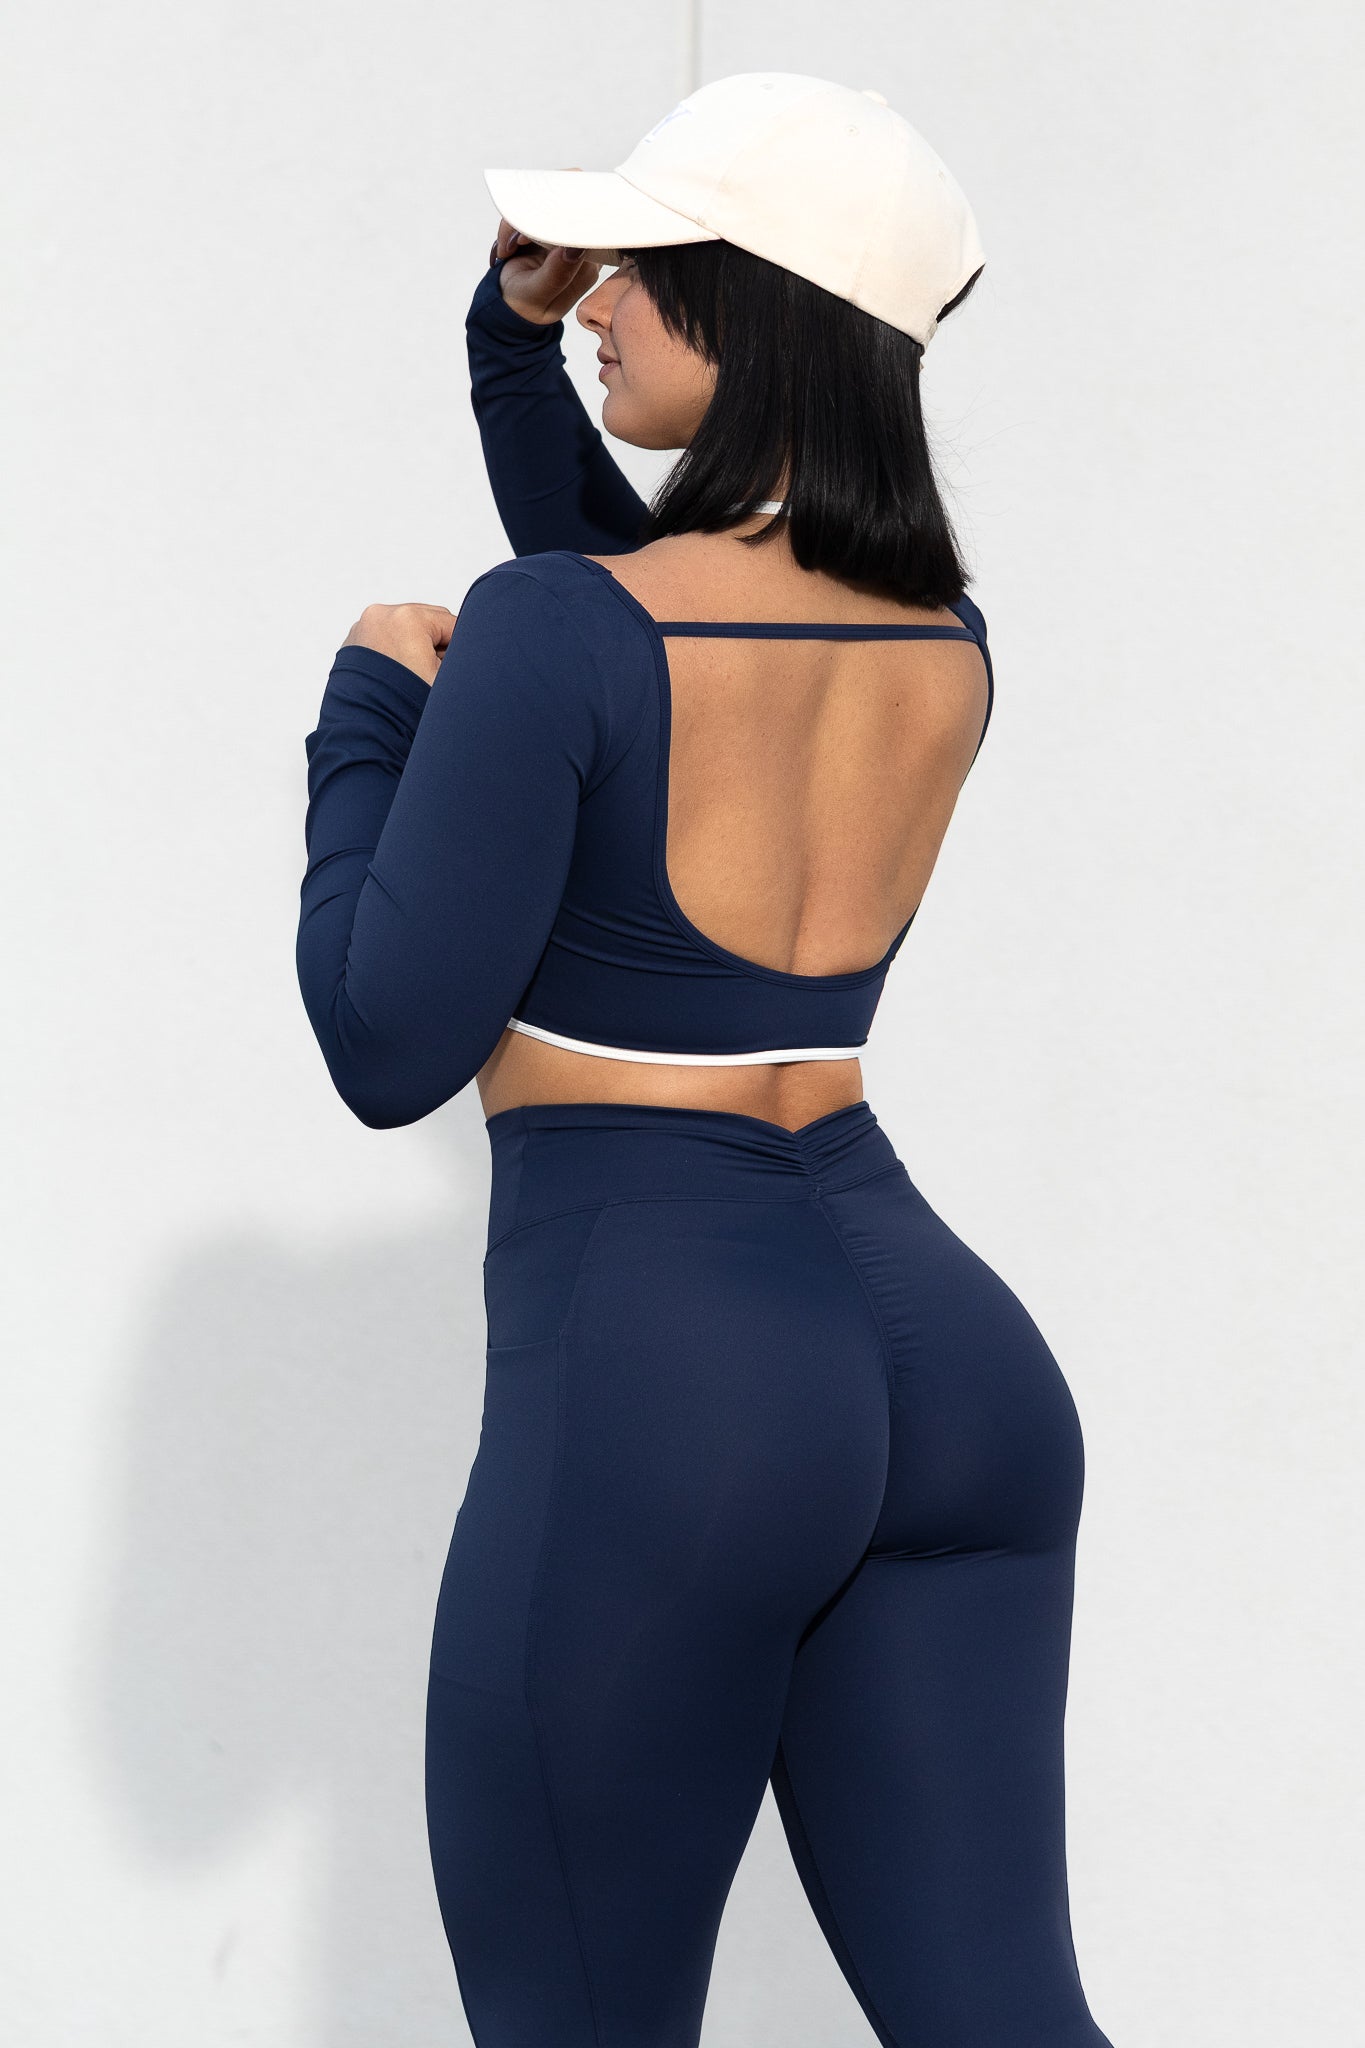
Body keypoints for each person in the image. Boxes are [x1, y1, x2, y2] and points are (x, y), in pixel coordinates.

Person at [296, 70, 1116, 2048]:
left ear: (750, 308)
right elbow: (619, 626)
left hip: (670, 1373)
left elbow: (384, 1039)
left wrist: (365, 724)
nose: (595, 297)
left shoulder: (560, 635)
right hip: (946, 1363)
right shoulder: (938, 638)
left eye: (638, 267)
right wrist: (504, 351)